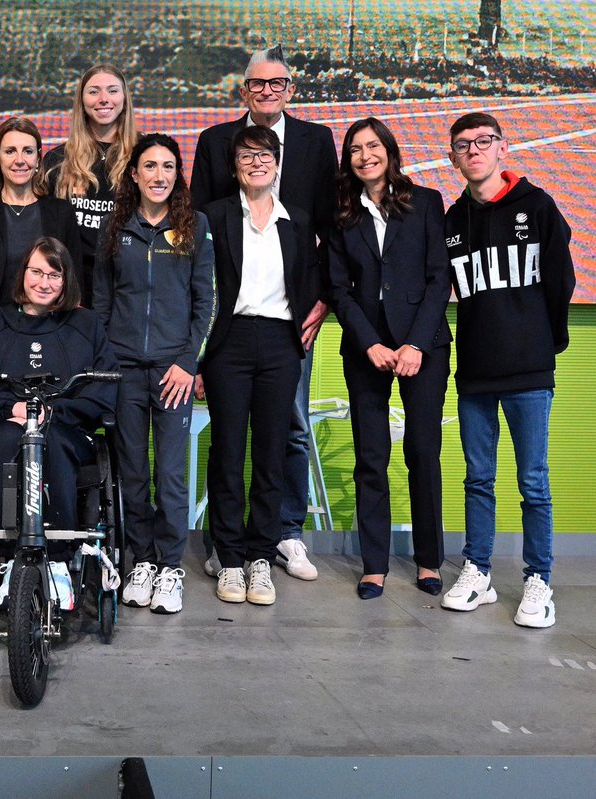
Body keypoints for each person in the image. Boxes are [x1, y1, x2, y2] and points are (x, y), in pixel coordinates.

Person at [190, 45, 337, 582]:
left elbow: (329, 230)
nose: (267, 91)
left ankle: (283, 536)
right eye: (257, 84)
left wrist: (322, 300)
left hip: (289, 325)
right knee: (228, 443)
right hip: (228, 328)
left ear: (290, 89)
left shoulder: (317, 142)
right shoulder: (213, 143)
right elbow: (195, 234)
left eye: (277, 83)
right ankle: (227, 547)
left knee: (288, 433)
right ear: (244, 90)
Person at [440, 112, 575, 628]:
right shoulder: (452, 221)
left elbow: (561, 280)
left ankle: (539, 578)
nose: (473, 151)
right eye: (463, 145)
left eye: (483, 141)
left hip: (528, 370)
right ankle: (478, 570)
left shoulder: (537, 206)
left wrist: (546, 342)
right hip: (475, 370)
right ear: (454, 156)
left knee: (533, 482)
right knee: (479, 478)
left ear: (501, 148)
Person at [0, 237, 118, 610]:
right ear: (22, 274)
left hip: (64, 429)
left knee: (48, 441)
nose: (44, 282)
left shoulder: (85, 325)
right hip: (4, 427)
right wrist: (8, 407)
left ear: (66, 279)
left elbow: (106, 390)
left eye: (54, 274)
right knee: (12, 443)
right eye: (36, 272)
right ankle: (10, 558)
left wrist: (56, 412)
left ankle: (56, 561)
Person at [328, 118, 452, 599]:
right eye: (355, 149)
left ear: (389, 150)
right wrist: (370, 343)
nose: (365, 156)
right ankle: (374, 565)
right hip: (367, 349)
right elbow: (339, 289)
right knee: (371, 457)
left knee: (423, 452)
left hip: (424, 347)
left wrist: (416, 344)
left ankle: (428, 561)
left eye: (373, 146)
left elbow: (439, 278)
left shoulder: (425, 203)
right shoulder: (342, 213)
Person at [198, 126, 321, 606]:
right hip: (229, 342)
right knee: (227, 450)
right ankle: (228, 558)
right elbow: (201, 288)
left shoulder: (298, 222)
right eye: (246, 155)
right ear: (234, 166)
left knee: (271, 453)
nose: (255, 162)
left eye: (264, 154)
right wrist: (200, 357)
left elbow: (310, 283)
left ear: (277, 163)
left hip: (280, 343)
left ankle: (259, 558)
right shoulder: (214, 216)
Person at [96, 133, 216, 615]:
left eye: (168, 166)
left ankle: (170, 567)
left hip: (174, 374)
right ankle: (140, 560)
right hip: (123, 370)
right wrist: (104, 361)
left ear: (177, 175)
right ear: (134, 175)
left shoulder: (194, 226)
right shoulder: (115, 226)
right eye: (150, 166)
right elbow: (103, 301)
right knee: (132, 473)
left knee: (169, 473)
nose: (159, 175)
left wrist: (188, 363)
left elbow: (205, 302)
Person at [0, 117, 82, 340]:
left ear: (39, 159)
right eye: (10, 151)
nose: (20, 160)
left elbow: (74, 283)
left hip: (51, 336)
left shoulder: (62, 213)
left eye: (28, 151)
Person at [42, 64, 139, 305]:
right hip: (71, 287)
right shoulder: (56, 161)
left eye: (113, 91)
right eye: (94, 91)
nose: (104, 99)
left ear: (125, 98)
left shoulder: (146, 156)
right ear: (82, 100)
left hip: (129, 285)